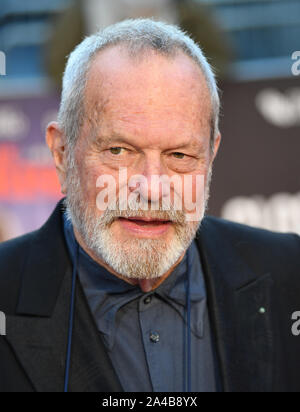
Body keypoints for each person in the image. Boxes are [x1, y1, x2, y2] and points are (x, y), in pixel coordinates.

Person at [0, 19, 299, 393]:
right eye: (119, 150)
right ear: (61, 153)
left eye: (179, 154)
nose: (153, 187)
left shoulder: (290, 275)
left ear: (212, 155)